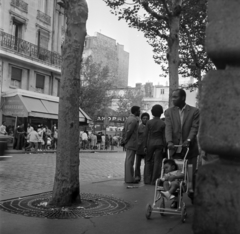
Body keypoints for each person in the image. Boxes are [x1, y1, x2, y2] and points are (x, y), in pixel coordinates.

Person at [165, 89, 199, 201]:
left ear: (183, 98)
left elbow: (194, 128)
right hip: (175, 150)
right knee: (175, 175)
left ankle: (191, 192)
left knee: (190, 174)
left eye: (175, 97)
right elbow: (168, 127)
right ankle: (175, 199)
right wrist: (169, 141)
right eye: (172, 97)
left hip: (190, 150)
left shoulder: (194, 111)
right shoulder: (169, 112)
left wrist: (189, 140)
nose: (173, 99)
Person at [144, 105, 165, 185]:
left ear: (152, 112)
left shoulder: (149, 122)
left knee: (148, 161)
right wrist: (164, 146)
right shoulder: (163, 123)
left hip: (150, 143)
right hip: (159, 143)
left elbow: (145, 135)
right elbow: (164, 136)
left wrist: (145, 146)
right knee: (157, 161)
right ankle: (154, 180)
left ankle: (147, 180)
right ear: (161, 112)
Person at [122, 106, 140, 184]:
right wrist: (125, 140)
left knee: (129, 160)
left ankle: (129, 178)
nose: (140, 112)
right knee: (130, 161)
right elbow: (129, 131)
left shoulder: (128, 119)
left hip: (129, 142)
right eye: (139, 111)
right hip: (131, 142)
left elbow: (124, 130)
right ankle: (129, 179)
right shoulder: (133, 120)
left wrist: (124, 140)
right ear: (136, 112)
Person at [135, 112, 150, 182]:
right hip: (139, 147)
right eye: (144, 118)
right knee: (137, 163)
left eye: (146, 118)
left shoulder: (150, 127)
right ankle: (137, 176)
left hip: (147, 147)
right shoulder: (138, 127)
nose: (145, 120)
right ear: (141, 119)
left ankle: (146, 177)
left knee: (147, 164)